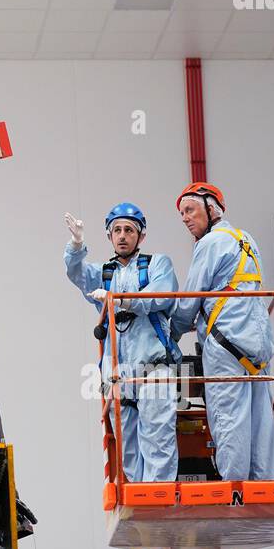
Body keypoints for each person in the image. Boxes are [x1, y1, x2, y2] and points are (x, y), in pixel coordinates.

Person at [64, 203, 180, 483]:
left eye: (129, 230)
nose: (123, 235)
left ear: (141, 237)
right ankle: (140, 501)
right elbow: (76, 273)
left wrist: (119, 300)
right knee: (127, 445)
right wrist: (77, 244)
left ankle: (159, 499)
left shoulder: (157, 264)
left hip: (153, 366)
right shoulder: (104, 273)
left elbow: (162, 294)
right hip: (117, 373)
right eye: (116, 230)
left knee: (158, 437)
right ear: (109, 237)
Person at [170, 182, 274, 482]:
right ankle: (264, 485)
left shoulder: (210, 243)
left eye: (190, 210)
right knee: (260, 419)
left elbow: (190, 299)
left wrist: (173, 333)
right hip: (258, 343)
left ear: (211, 207)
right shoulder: (247, 240)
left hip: (225, 343)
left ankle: (233, 490)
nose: (186, 219)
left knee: (229, 416)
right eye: (182, 216)